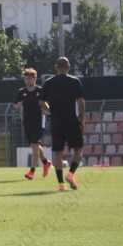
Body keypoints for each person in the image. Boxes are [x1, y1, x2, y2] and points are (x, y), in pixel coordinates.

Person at [39, 57, 86, 192]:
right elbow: (81, 101)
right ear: (69, 67)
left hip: (56, 120)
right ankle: (70, 174)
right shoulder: (75, 81)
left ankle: (61, 184)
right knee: (78, 149)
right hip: (71, 119)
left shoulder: (48, 82)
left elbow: (41, 102)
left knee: (58, 153)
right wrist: (81, 119)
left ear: (56, 68)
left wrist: (50, 110)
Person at [14, 68, 52, 180]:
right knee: (34, 145)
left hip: (38, 121)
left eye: (30, 78)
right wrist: (18, 106)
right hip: (27, 122)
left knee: (34, 146)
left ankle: (32, 171)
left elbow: (47, 104)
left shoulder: (40, 90)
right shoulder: (21, 92)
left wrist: (46, 110)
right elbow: (16, 106)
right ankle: (46, 162)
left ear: (35, 79)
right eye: (26, 79)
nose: (27, 80)